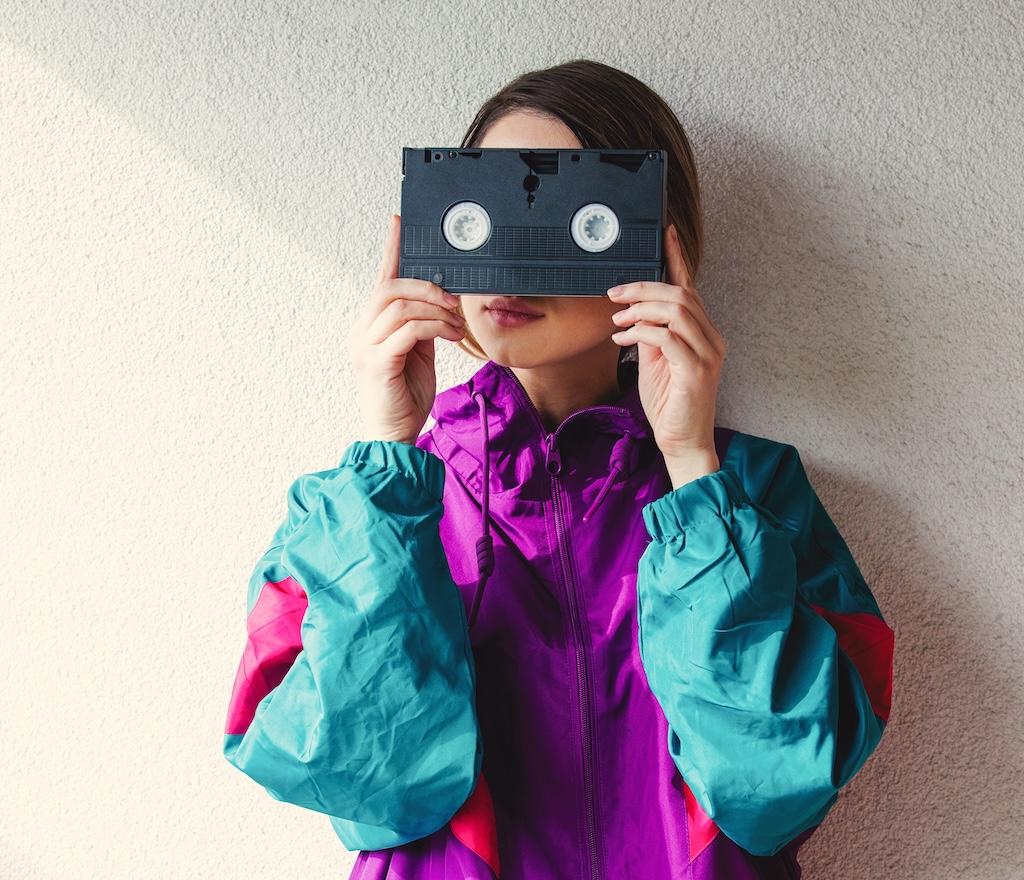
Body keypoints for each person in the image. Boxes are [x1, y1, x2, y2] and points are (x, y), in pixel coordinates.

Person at [224, 60, 894, 879]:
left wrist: (692, 471)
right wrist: (390, 458)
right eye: (482, 219)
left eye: (577, 222)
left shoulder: (751, 496)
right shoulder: (364, 511)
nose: (514, 266)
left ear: (655, 245)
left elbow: (775, 789)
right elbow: (363, 786)